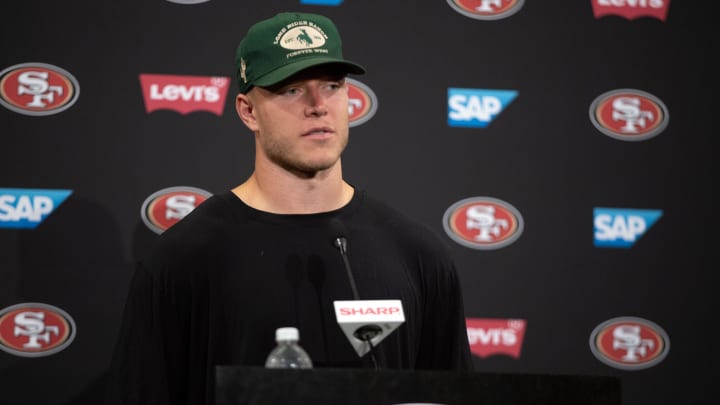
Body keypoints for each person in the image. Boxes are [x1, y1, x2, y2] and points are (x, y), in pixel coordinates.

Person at [106, 11, 472, 405]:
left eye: (332, 85)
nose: (317, 105)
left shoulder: (418, 254)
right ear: (248, 111)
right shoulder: (181, 260)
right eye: (291, 89)